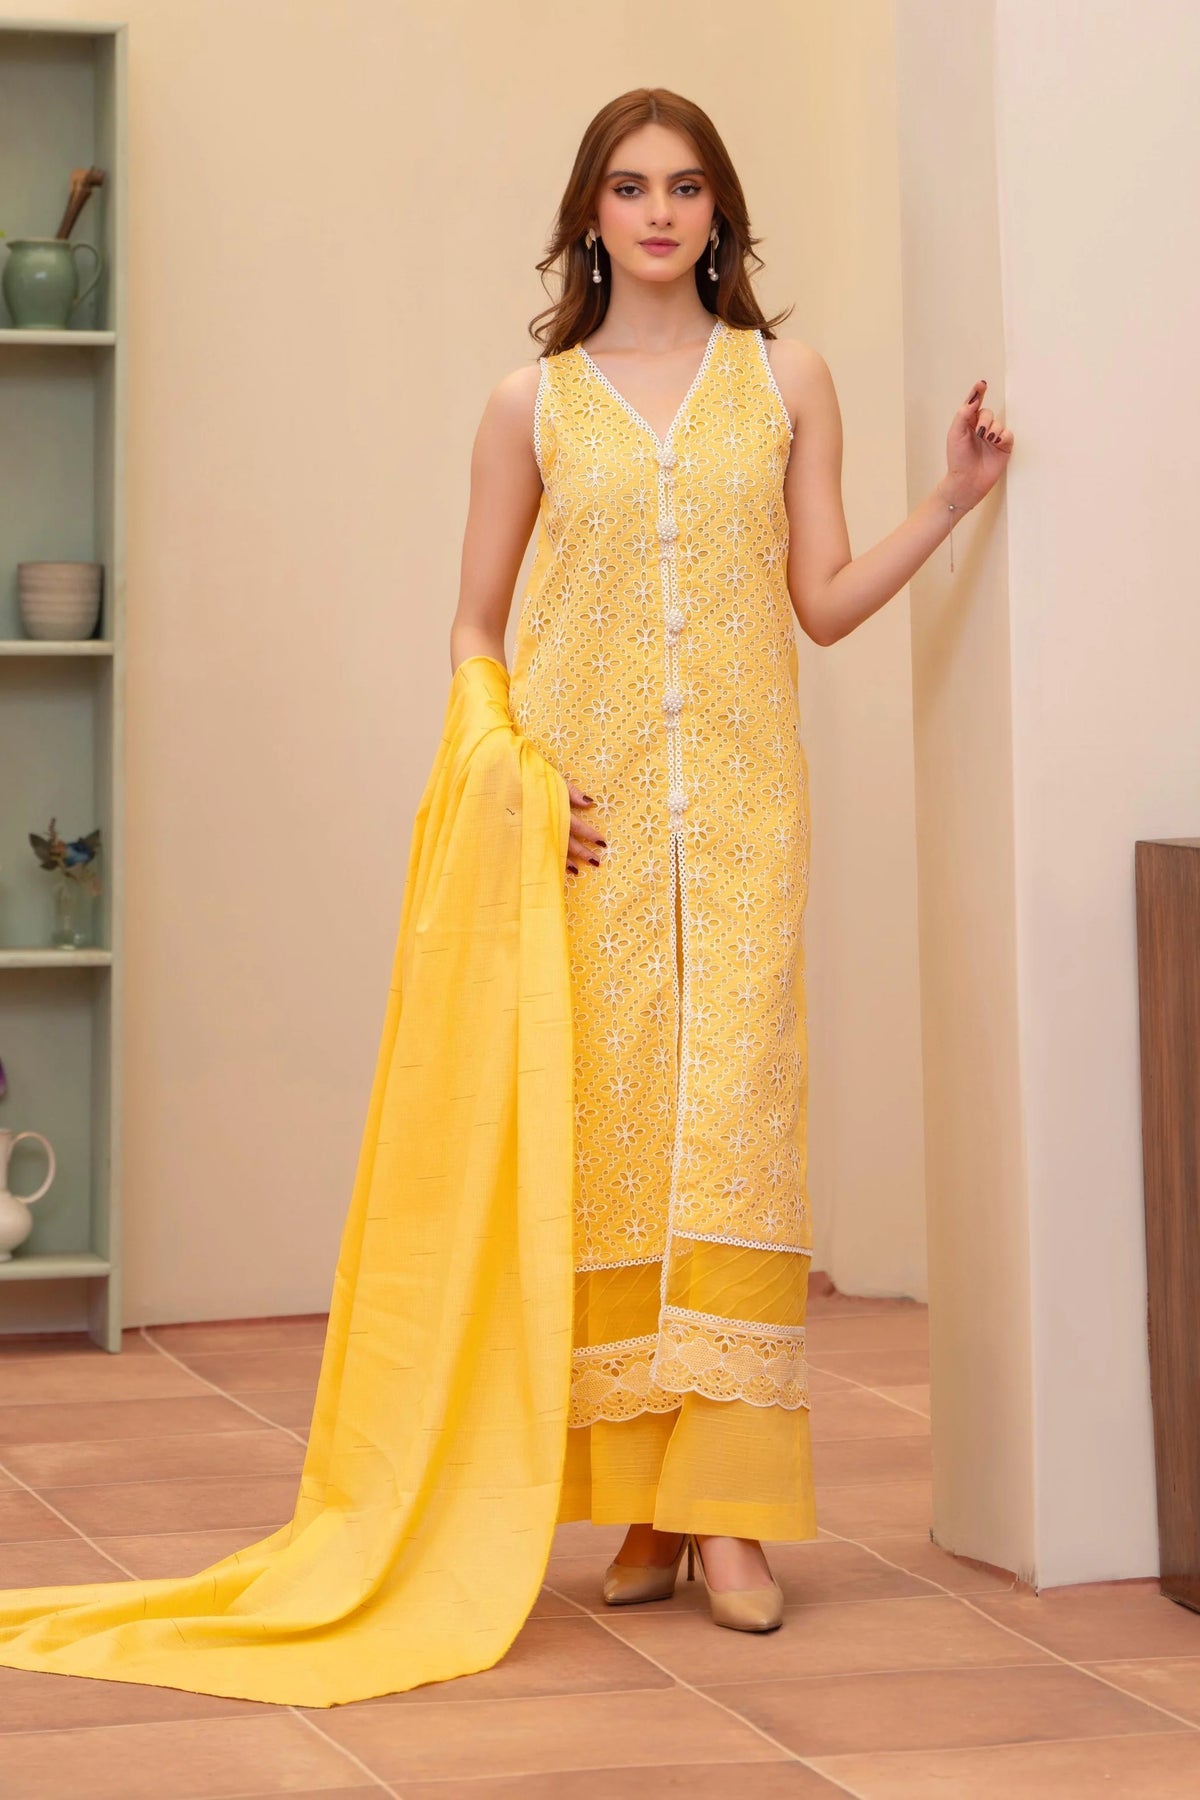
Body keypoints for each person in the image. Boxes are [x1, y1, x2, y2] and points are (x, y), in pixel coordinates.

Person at [450, 85, 1013, 1631]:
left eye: (686, 187)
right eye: (631, 186)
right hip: (595, 837)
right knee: (623, 1146)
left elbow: (817, 602)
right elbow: (477, 628)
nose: (658, 212)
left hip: (750, 822)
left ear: (720, 213)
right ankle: (648, 1509)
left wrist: (950, 503)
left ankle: (730, 1517)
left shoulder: (784, 380)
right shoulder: (531, 404)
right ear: (590, 212)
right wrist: (516, 785)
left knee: (736, 1141)